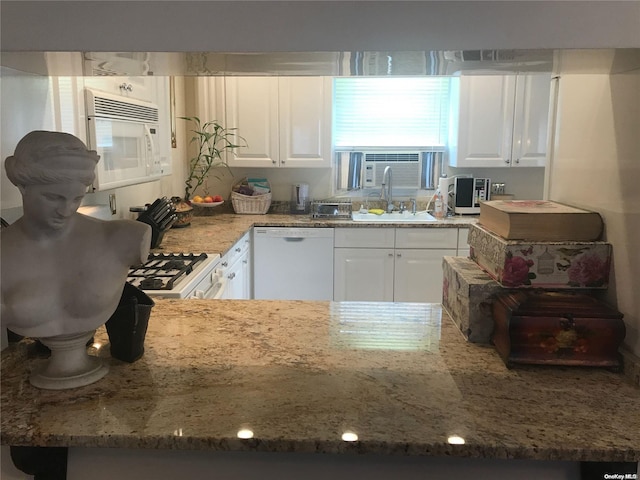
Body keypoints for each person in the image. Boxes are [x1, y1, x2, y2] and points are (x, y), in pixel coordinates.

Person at [1, 130, 151, 339]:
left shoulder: (122, 237)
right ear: (22, 186)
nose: (66, 210)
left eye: (76, 198)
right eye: (53, 197)